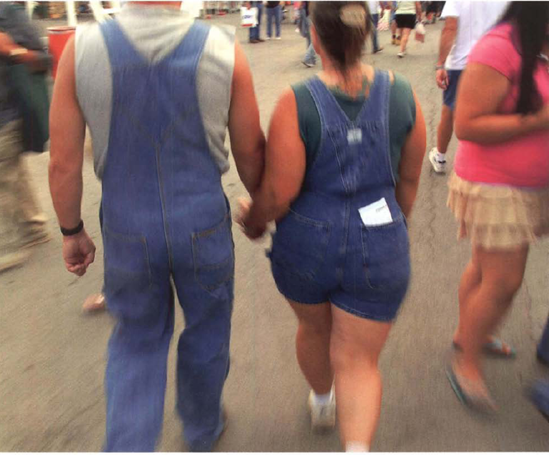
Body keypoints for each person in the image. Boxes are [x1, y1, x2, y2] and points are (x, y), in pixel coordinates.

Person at [48, 1, 265, 451]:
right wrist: (261, 208)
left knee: (136, 344)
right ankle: (202, 429)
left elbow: (63, 162)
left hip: (128, 227)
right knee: (208, 330)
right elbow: (250, 151)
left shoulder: (80, 49)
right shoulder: (224, 50)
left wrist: (72, 231)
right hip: (202, 222)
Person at [239, 2, 426, 450]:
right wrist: (393, 229)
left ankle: (323, 400)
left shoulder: (296, 103)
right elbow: (410, 179)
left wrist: (254, 218)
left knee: (314, 330)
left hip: (307, 245)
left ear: (314, 37)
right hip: (381, 243)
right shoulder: (403, 95)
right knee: (359, 361)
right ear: (366, 35)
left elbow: (280, 194)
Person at [446, 2, 549, 411]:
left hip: (526, 186)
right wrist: (539, 121)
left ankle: (469, 334)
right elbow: (467, 124)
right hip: (495, 188)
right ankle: (466, 364)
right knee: (503, 283)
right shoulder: (499, 47)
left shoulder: (539, 45)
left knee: (484, 269)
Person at [0, 2, 52, 274]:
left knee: (3, 178)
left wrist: (12, 50)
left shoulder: (7, 14)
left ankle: (7, 247)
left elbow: (44, 59)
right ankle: (34, 227)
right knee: (12, 173)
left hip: (6, 113)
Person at [428, 1, 509, 174]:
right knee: (492, 110)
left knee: (449, 111)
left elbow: (450, 28)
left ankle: (440, 157)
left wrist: (440, 64)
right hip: (495, 60)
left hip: (461, 62)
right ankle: (489, 160)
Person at [300, 1, 316, 68]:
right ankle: (309, 57)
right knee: (319, 39)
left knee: (312, 37)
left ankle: (310, 57)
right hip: (314, 15)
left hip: (309, 14)